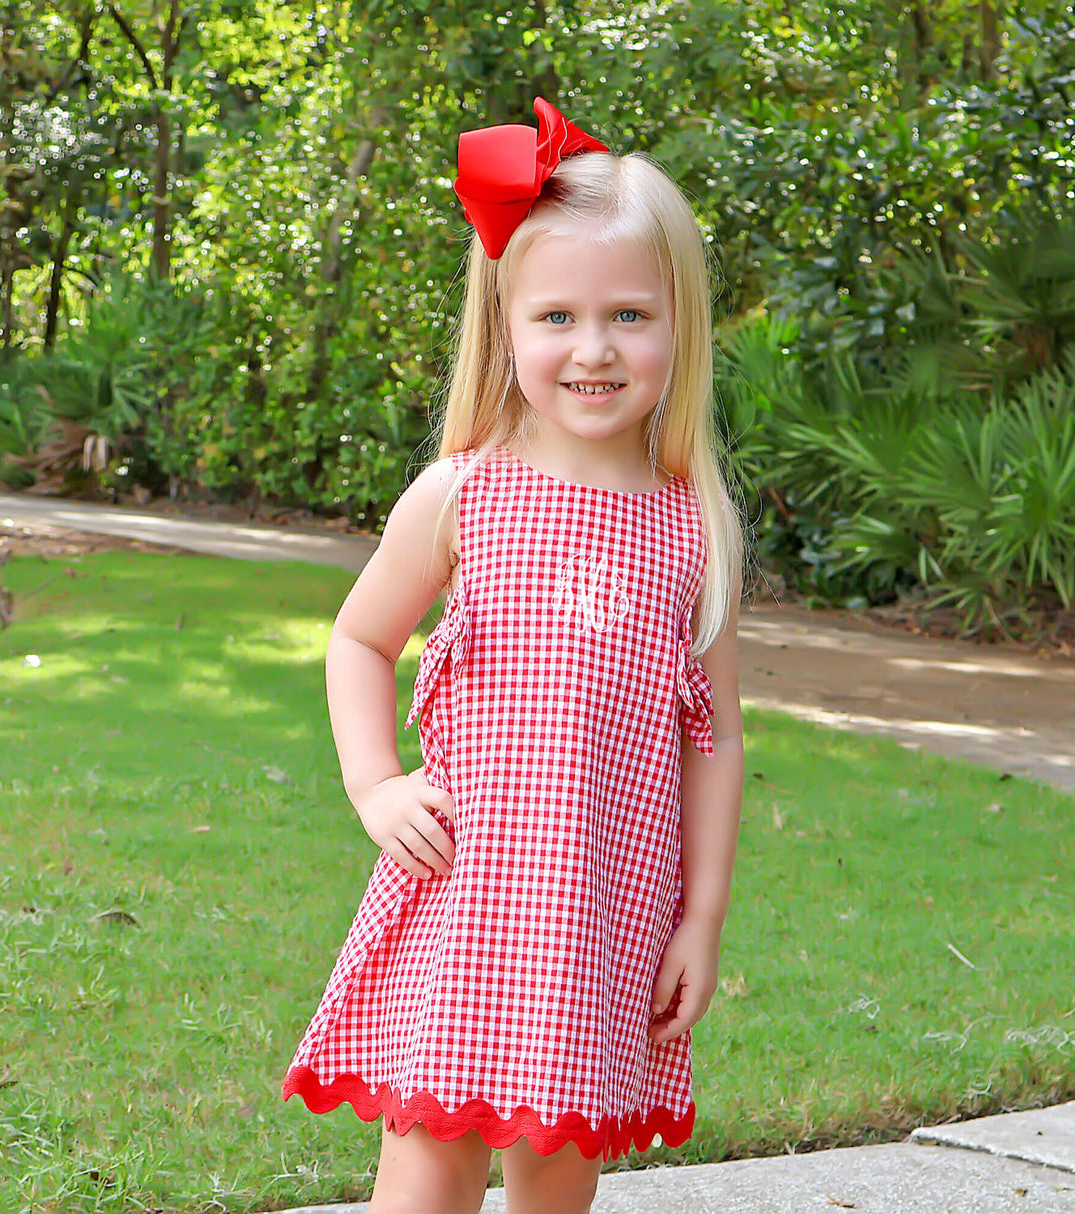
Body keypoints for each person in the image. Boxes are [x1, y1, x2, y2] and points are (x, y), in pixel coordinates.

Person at [282, 97, 745, 1214]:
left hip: (604, 908)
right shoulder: (464, 493)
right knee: (429, 1159)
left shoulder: (691, 526)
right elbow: (359, 635)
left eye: (629, 313)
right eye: (557, 317)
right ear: (505, 326)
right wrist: (374, 780)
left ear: (678, 327)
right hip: (469, 883)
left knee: (555, 1162)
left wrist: (700, 918)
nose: (593, 348)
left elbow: (716, 732)